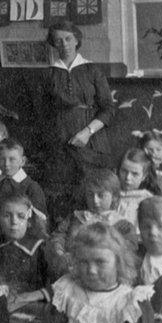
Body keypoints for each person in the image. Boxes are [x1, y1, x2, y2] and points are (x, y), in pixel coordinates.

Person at [43, 20, 117, 216]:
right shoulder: (49, 73)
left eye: (68, 39)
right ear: (53, 44)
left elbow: (108, 109)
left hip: (91, 141)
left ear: (77, 40)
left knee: (93, 192)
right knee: (63, 196)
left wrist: (87, 132)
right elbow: (43, 113)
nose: (64, 45)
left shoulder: (92, 70)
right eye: (58, 41)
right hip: (60, 142)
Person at [47, 169, 134, 276]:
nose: (95, 201)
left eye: (101, 195)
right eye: (90, 194)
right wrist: (60, 252)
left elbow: (127, 256)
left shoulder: (123, 225)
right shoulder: (76, 217)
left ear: (114, 197)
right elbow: (58, 236)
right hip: (70, 271)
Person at [0, 194, 56, 312]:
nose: (14, 222)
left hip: (34, 306)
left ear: (29, 220)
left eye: (21, 216)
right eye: (7, 215)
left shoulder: (41, 247)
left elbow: (61, 284)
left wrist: (35, 295)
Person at [0, 138, 48, 236]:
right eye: (2, 159)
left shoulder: (31, 187)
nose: (6, 164)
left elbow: (40, 223)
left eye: (12, 159)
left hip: (24, 237)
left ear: (22, 161)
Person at [114, 148, 159, 232]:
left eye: (135, 174)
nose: (128, 178)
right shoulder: (109, 194)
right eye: (124, 171)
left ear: (144, 176)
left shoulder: (147, 201)